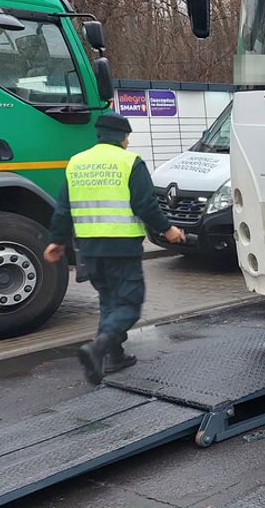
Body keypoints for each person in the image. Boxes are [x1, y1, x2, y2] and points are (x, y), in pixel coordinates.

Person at [44, 113, 185, 384]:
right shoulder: (129, 162)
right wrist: (168, 230)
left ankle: (113, 356)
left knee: (109, 301)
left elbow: (63, 209)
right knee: (129, 305)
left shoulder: (77, 163)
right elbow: (145, 204)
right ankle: (97, 348)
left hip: (89, 248)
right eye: (128, 136)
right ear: (122, 137)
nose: (129, 141)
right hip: (121, 245)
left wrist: (57, 241)